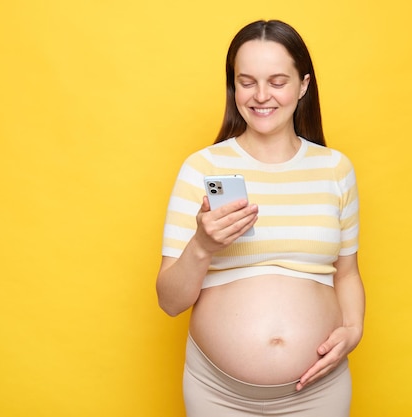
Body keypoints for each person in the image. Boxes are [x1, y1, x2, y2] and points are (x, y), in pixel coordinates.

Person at [156, 19, 365, 417]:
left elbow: (348, 273)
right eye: (246, 81)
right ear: (233, 85)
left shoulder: (336, 170)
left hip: (319, 390)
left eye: (278, 81)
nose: (261, 95)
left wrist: (353, 330)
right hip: (218, 394)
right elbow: (169, 302)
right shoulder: (202, 167)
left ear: (303, 85)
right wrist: (202, 246)